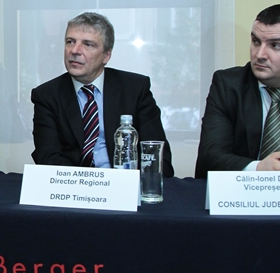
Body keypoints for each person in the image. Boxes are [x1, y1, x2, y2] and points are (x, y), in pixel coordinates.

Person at [31, 12, 175, 177]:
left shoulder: (135, 89)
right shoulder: (47, 95)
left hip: (123, 185)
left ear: (106, 55)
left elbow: (157, 157)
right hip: (73, 185)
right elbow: (47, 157)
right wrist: (91, 183)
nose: (75, 51)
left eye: (88, 44)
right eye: (70, 42)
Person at [195, 3, 280, 178]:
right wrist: (258, 168)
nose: (260, 54)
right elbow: (209, 158)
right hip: (243, 194)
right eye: (256, 42)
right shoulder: (229, 85)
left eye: (275, 45)